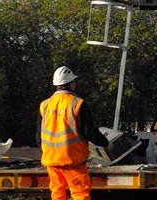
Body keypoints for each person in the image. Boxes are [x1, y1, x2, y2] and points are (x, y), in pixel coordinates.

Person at [37, 66, 108, 200]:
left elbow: (38, 136)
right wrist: (105, 143)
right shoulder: (77, 104)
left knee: (57, 194)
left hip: (52, 161)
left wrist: (47, 153)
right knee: (80, 194)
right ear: (71, 84)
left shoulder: (44, 105)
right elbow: (90, 132)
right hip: (72, 161)